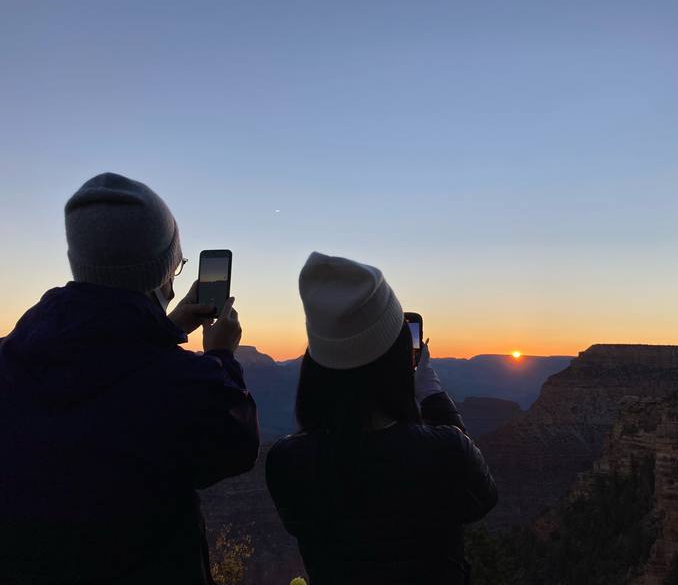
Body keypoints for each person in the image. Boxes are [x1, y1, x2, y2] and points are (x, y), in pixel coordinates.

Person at [0, 173, 260, 584]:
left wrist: (167, 329)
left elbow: (102, 358)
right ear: (162, 273)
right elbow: (234, 446)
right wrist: (221, 357)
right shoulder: (183, 385)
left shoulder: (15, 356)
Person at [265, 252, 497, 585]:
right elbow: (478, 497)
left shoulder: (287, 461)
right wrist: (428, 389)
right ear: (398, 359)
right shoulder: (446, 452)